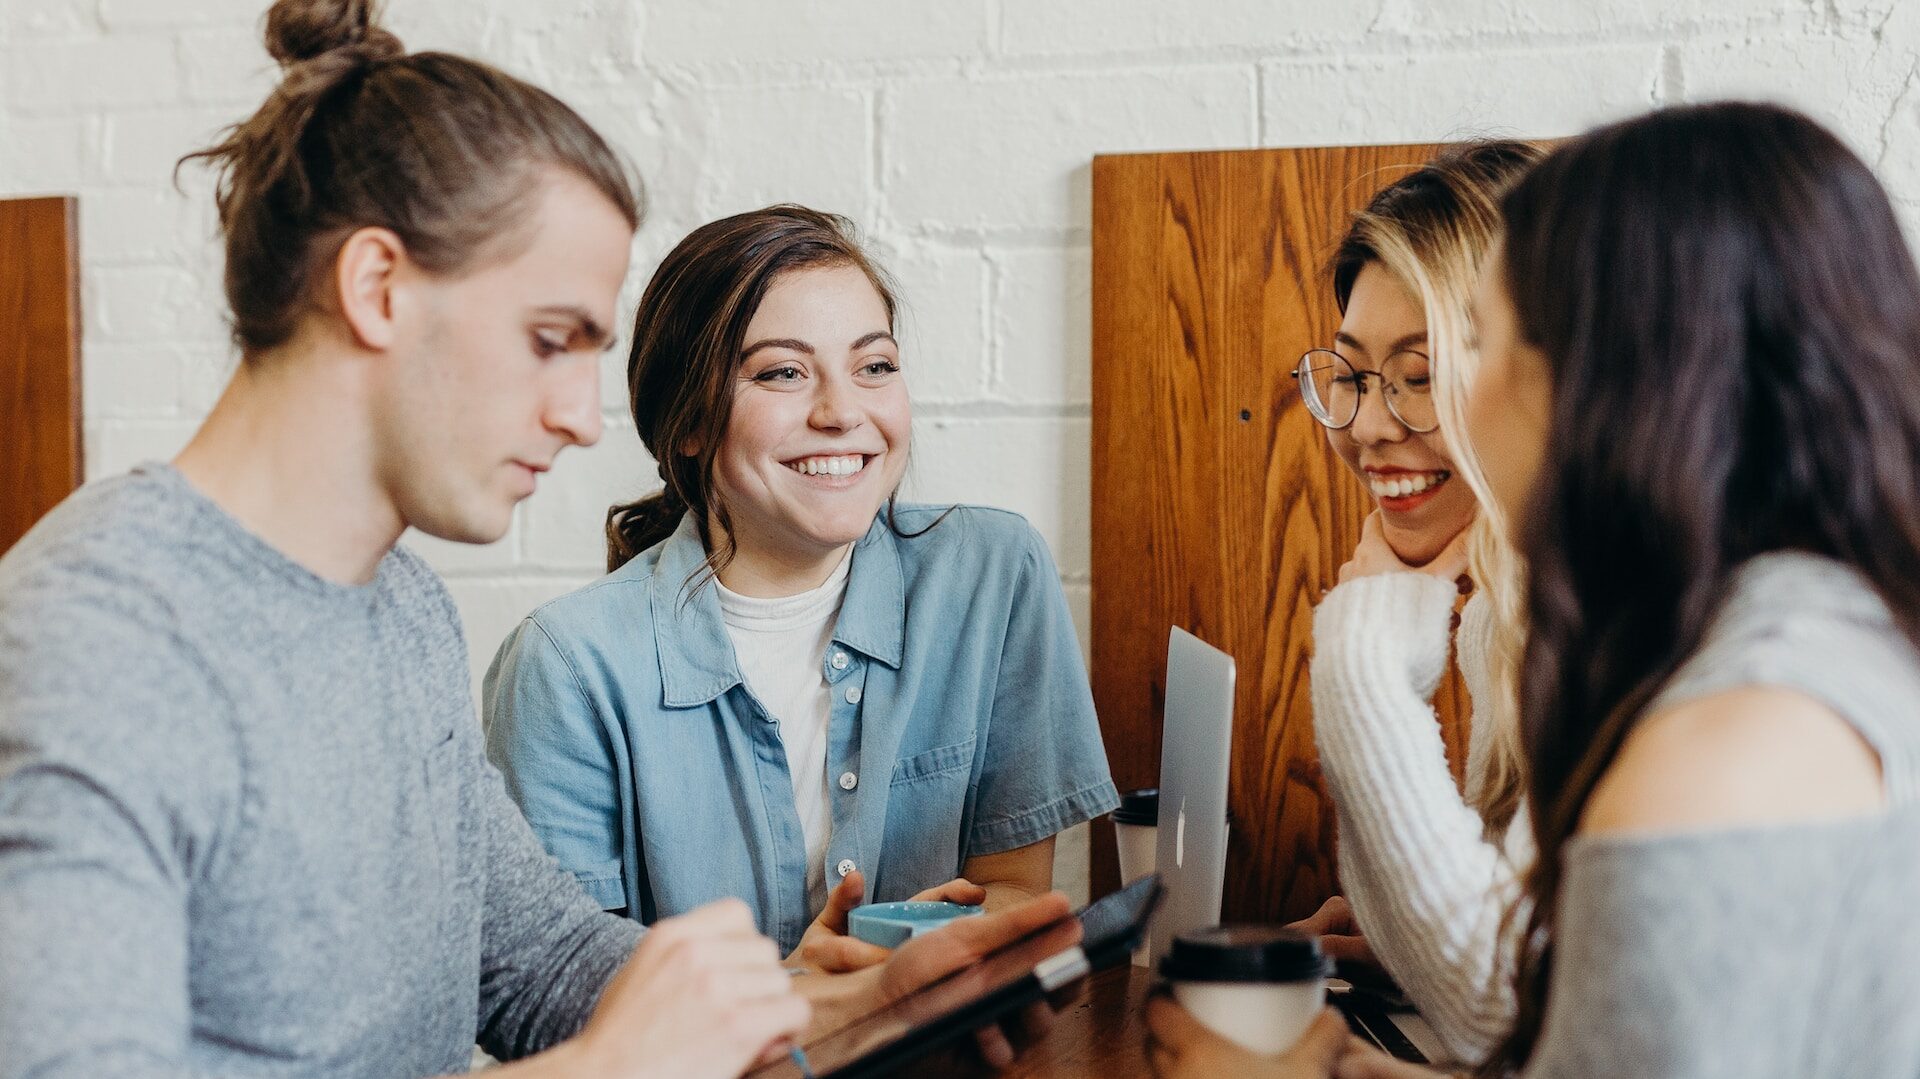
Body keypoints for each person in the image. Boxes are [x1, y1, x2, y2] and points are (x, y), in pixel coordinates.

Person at [0, 4, 1073, 1078]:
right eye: (550, 340)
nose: (582, 415)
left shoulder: (399, 608)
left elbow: (541, 963)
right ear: (376, 288)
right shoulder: (93, 644)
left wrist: (843, 1005)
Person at [1149, 101, 1920, 1078]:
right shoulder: (1815, 632)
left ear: (1621, 375)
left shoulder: (1718, 750)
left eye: (1483, 341)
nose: (1446, 403)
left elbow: (1513, 1007)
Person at [483, 204, 1120, 965]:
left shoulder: (992, 575)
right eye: (782, 372)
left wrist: (921, 951)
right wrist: (804, 998)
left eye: (874, 366)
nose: (843, 411)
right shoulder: (565, 665)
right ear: (686, 422)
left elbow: (1015, 888)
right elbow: (562, 991)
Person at [1289, 140, 1543, 1065]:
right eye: (1352, 374)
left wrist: (1361, 657)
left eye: (1422, 373)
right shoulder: (1505, 612)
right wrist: (1404, 933)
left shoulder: (1608, 620)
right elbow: (1513, 968)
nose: (1366, 425)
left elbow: (1501, 1010)